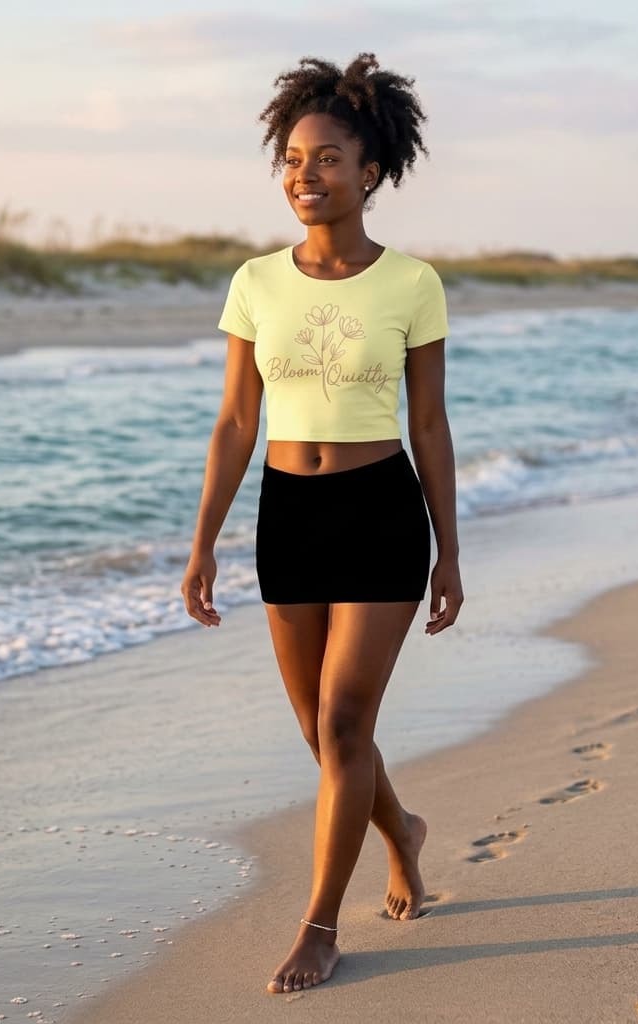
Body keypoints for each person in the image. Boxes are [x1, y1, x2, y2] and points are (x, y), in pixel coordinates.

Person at [180, 52, 463, 995]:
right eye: (294, 160)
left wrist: (450, 551)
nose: (306, 175)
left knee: (346, 723)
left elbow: (428, 422)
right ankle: (403, 832)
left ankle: (319, 928)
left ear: (371, 171)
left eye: (328, 159)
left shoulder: (413, 283)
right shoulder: (256, 282)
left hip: (381, 511)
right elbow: (234, 422)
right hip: (287, 512)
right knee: (319, 732)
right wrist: (203, 541)